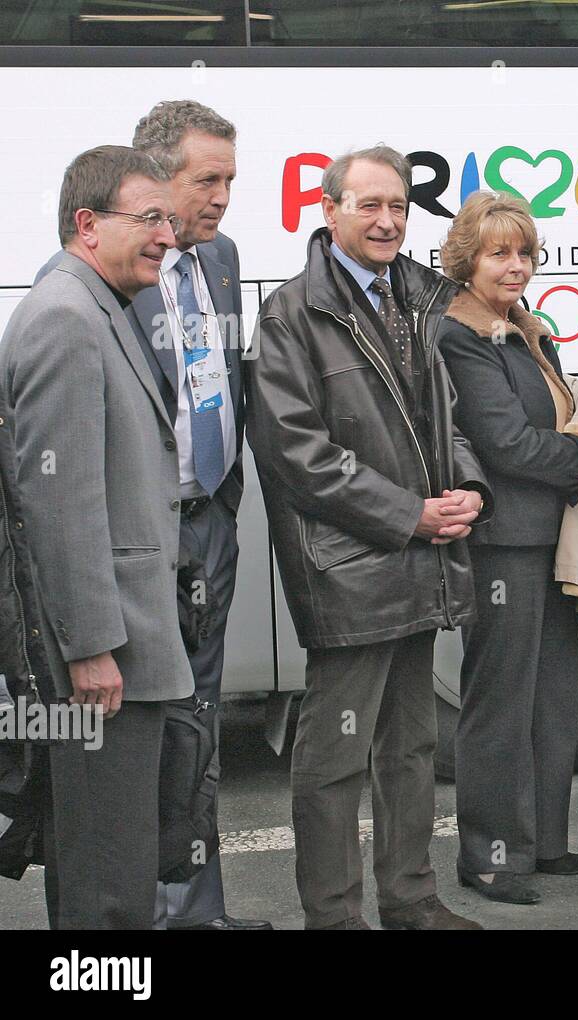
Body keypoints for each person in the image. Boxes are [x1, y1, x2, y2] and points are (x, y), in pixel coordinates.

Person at [245, 146, 490, 930]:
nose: (387, 220)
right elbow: (295, 452)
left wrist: (469, 489)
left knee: (411, 749)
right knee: (335, 760)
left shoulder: (419, 295)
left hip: (420, 557)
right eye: (368, 205)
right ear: (330, 210)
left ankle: (413, 902)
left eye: (399, 206)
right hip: (352, 565)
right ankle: (335, 917)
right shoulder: (292, 312)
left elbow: (447, 416)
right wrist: (406, 514)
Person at [0, 145, 193, 928]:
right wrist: (89, 649)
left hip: (122, 647)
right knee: (106, 878)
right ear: (88, 223)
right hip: (104, 657)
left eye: (169, 221)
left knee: (112, 861)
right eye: (150, 218)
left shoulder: (93, 306)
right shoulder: (64, 319)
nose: (169, 238)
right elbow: (58, 504)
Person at [437, 191, 578, 905]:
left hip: (548, 535)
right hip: (505, 544)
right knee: (499, 703)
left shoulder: (522, 325)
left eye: (524, 252)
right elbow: (506, 445)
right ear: (467, 258)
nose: (516, 266)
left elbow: (547, 417)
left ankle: (544, 842)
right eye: (499, 253)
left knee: (552, 698)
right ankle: (487, 858)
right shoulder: (461, 334)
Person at [123, 99, 267, 931]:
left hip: (212, 522)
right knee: (155, 734)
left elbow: (226, 383)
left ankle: (199, 912)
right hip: (151, 534)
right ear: (155, 177)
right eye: (205, 180)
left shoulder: (222, 259)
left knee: (204, 727)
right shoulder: (118, 270)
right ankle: (143, 916)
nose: (221, 198)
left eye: (230, 181)